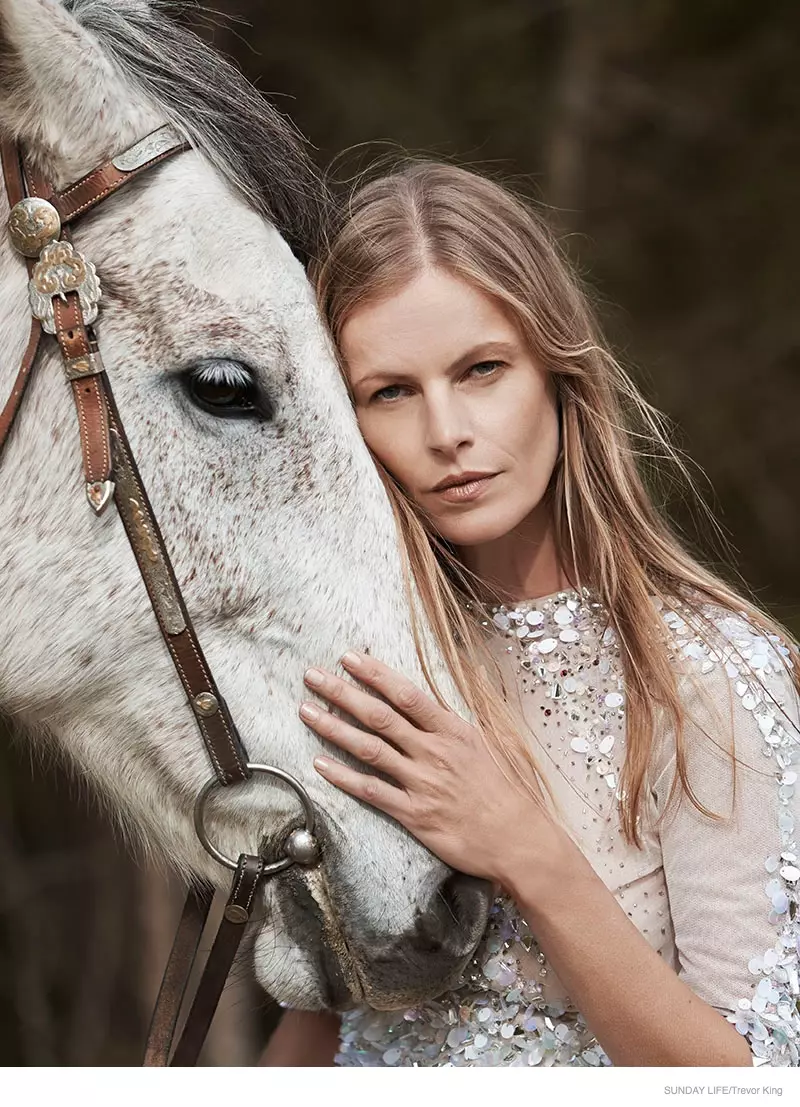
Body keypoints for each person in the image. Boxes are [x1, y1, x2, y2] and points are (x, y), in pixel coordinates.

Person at [261, 161, 800, 1068]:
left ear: (557, 369)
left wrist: (526, 850)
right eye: (390, 391)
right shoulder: (358, 673)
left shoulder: (707, 675)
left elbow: (755, 1082)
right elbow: (328, 1027)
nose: (446, 432)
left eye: (481, 370)